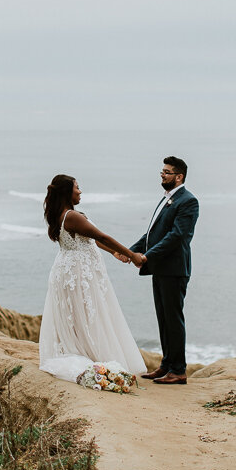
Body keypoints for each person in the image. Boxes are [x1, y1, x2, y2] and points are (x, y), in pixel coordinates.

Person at [39, 174, 147, 383]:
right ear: (67, 192)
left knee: (82, 315)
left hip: (70, 270)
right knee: (89, 314)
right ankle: (93, 358)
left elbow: (91, 241)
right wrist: (132, 255)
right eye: (77, 187)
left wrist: (114, 253)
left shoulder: (63, 215)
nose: (80, 191)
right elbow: (101, 236)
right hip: (78, 273)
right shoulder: (72, 216)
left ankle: (86, 353)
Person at [130, 156, 199, 385]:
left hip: (174, 269)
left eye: (167, 172)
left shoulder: (188, 201)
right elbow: (152, 233)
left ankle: (178, 370)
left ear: (179, 176)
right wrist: (131, 251)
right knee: (163, 319)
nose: (162, 175)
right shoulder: (167, 199)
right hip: (161, 268)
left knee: (173, 319)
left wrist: (147, 256)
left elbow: (177, 236)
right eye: (162, 171)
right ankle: (166, 365)